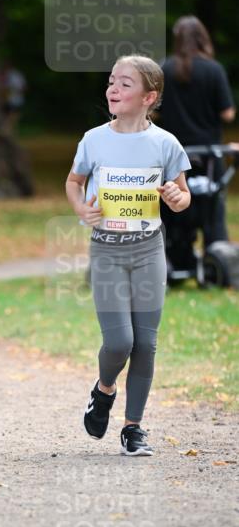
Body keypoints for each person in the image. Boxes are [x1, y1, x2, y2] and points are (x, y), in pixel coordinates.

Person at [66, 55, 191, 457]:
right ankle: (103, 390)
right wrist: (81, 208)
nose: (113, 90)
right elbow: (74, 180)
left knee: (146, 344)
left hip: (149, 250)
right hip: (107, 251)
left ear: (148, 96)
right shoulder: (94, 139)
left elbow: (182, 195)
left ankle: (133, 427)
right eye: (111, 82)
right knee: (120, 341)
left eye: (124, 84)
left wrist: (176, 197)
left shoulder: (165, 143)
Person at [158, 16, 236, 258]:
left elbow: (154, 111)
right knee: (212, 210)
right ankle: (216, 259)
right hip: (208, 156)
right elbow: (228, 113)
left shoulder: (164, 69)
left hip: (172, 155)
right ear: (203, 39)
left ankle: (175, 256)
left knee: (171, 206)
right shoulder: (213, 70)